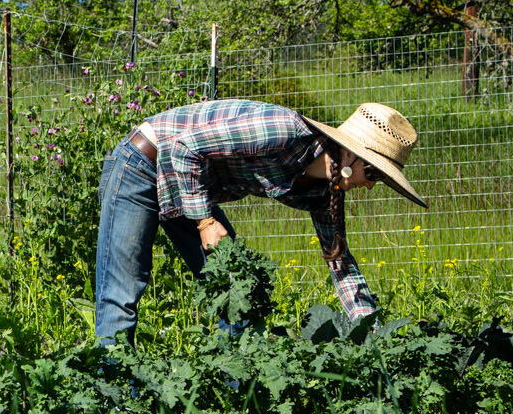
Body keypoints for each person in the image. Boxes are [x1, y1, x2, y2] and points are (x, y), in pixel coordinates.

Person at [93, 99, 426, 345]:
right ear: (350, 154)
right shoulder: (285, 131)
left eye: (379, 179)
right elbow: (186, 147)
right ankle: (114, 402)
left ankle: (235, 401)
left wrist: (373, 334)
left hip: (190, 185)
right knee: (123, 288)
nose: (370, 185)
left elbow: (340, 264)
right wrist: (206, 220)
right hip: (144, 162)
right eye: (373, 173)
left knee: (238, 290)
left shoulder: (325, 191)